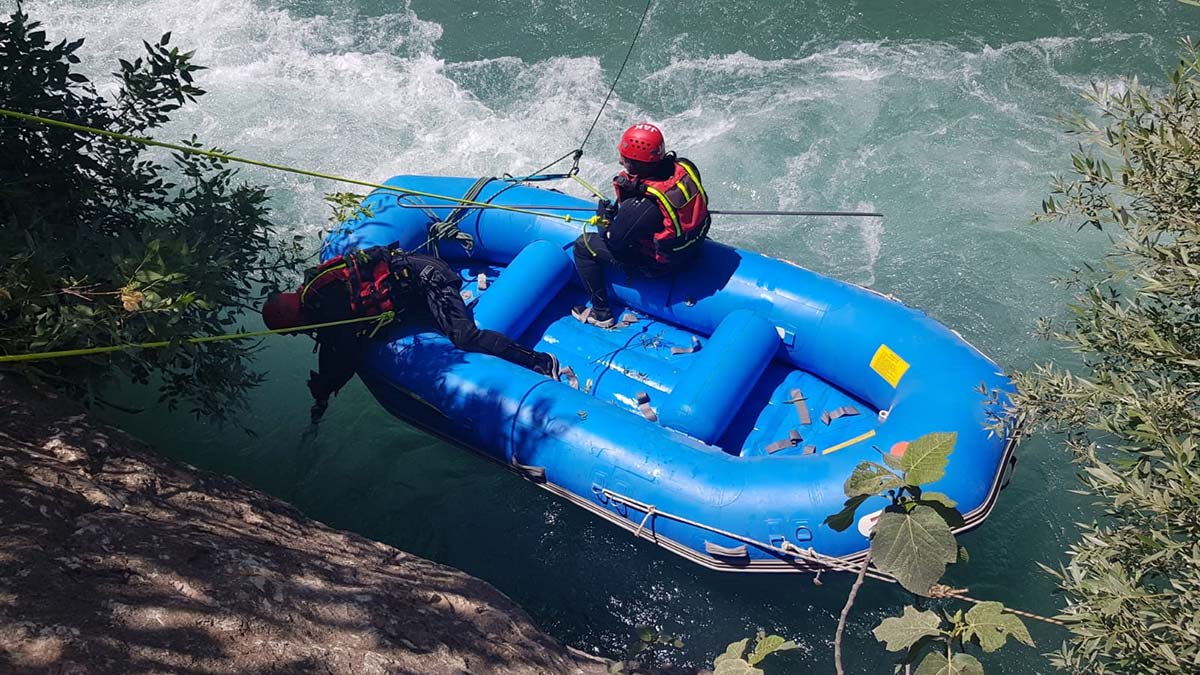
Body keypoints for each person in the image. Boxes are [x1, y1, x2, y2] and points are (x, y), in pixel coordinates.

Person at [262, 245, 560, 423]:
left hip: (429, 279)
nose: (291, 337)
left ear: (293, 319)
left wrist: (327, 385)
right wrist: (323, 389)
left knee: (464, 337)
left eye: (288, 331)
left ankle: (541, 361)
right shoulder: (317, 299)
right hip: (411, 292)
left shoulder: (326, 303)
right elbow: (333, 346)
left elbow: (344, 350)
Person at [571, 122, 711, 328]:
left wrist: (604, 219)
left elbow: (614, 242)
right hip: (692, 247)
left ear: (637, 164)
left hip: (661, 265)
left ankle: (601, 314)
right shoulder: (685, 166)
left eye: (625, 159)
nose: (621, 160)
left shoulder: (641, 208)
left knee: (583, 245)